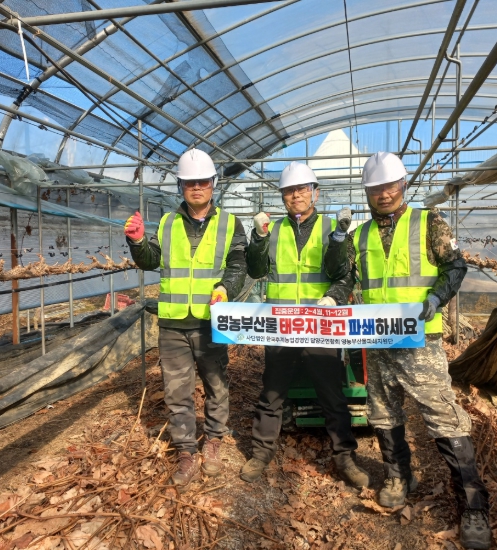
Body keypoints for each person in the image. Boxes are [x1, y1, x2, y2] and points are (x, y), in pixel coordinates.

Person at [324, 151, 490, 549]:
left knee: (444, 418)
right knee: (383, 413)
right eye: (375, 188)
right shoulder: (360, 235)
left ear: (403, 185)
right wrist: (333, 297)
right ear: (367, 192)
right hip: (379, 340)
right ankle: (399, 476)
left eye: (390, 186)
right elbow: (347, 278)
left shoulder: (428, 222)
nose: (384, 194)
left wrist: (435, 298)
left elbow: (455, 266)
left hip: (420, 342)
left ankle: (473, 506)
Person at [239, 161, 369, 489]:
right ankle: (261, 453)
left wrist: (334, 296)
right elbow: (256, 270)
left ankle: (345, 457)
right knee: (272, 391)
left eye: (301, 189)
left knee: (332, 392)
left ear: (315, 193)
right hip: (282, 326)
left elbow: (345, 274)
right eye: (288, 191)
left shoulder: (332, 228)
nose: (295, 195)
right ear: (282, 196)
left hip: (320, 325)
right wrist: (258, 238)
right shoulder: (273, 230)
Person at [124, 148, 247, 489]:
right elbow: (150, 260)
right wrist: (137, 242)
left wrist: (225, 287)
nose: (196, 188)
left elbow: (238, 265)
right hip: (173, 324)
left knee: (216, 385)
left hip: (211, 321)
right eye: (190, 183)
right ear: (180, 186)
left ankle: (214, 441)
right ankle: (186, 451)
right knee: (177, 391)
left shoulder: (231, 223)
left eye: (203, 182)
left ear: (213, 184)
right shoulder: (167, 222)